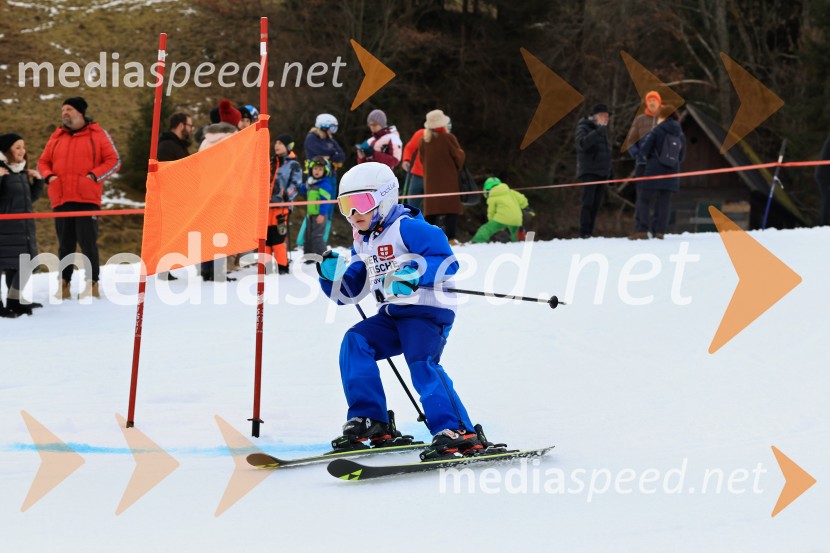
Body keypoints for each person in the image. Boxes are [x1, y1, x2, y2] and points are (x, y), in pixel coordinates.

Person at [316, 162, 496, 461]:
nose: (354, 213)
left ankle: (457, 429)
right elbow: (348, 293)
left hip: (426, 312)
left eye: (362, 203)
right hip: (392, 315)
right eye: (346, 205)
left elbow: (446, 260)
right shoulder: (362, 241)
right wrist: (331, 278)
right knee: (355, 342)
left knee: (421, 362)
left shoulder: (409, 227)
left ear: (385, 199)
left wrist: (414, 272)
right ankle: (371, 419)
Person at [38, 96, 121, 300]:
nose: (64, 113)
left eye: (69, 109)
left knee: (88, 243)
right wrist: (50, 177)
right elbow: (42, 162)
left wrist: (93, 176)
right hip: (61, 198)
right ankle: (64, 284)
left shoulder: (98, 134)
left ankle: (92, 284)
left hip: (87, 198)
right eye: (63, 110)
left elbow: (114, 160)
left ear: (80, 112)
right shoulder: (56, 136)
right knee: (65, 245)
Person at [0, 133, 44, 317]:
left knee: (22, 264)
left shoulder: (21, 171)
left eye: (23, 147)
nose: (22, 151)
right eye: (17, 147)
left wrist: (38, 181)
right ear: (6, 150)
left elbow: (28, 200)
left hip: (23, 228)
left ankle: (15, 301)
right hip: (4, 230)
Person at [629, 105, 686, 240]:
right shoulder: (680, 133)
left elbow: (645, 150)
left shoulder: (657, 130)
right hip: (672, 172)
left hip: (653, 170)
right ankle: (659, 231)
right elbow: (681, 156)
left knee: (644, 199)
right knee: (664, 202)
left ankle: (642, 230)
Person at [198, 100, 239, 280]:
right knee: (222, 231)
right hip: (224, 191)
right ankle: (218, 271)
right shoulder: (233, 139)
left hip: (205, 192)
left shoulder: (206, 140)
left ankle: (206, 269)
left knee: (208, 230)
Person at [419, 109, 465, 245]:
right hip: (448, 180)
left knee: (431, 211)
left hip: (430, 182)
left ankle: (428, 239)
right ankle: (450, 238)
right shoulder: (448, 138)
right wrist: (462, 153)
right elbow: (458, 158)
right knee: (451, 209)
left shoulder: (423, 141)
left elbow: (422, 160)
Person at [575, 103, 613, 238]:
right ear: (595, 116)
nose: (606, 119)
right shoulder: (583, 127)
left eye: (607, 116)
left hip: (601, 173)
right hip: (589, 171)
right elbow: (582, 144)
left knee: (596, 204)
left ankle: (590, 232)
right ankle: (584, 232)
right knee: (588, 203)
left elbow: (606, 153)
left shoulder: (602, 131)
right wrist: (598, 132)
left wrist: (610, 172)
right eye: (604, 116)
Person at [267, 133, 301, 274]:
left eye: (280, 143)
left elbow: (296, 184)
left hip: (281, 208)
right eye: (276, 143)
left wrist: (285, 196)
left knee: (278, 238)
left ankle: (282, 267)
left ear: (288, 146)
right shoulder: (271, 162)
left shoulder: (293, 164)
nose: (277, 146)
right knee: (266, 239)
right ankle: (266, 267)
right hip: (266, 207)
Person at [471, 177, 530, 243]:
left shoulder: (492, 197)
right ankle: (519, 238)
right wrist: (525, 207)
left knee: (486, 229)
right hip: (517, 218)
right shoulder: (511, 192)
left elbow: (491, 212)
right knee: (514, 229)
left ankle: (477, 241)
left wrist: (492, 222)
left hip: (502, 218)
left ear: (487, 189)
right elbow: (522, 199)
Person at [301, 156, 335, 258]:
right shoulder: (310, 182)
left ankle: (323, 257)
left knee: (317, 237)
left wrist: (322, 214)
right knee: (307, 237)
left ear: (325, 171)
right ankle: (308, 257)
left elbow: (325, 201)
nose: (317, 171)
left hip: (320, 215)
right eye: (315, 169)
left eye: (320, 169)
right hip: (310, 215)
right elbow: (302, 190)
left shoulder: (325, 184)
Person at [625, 90, 662, 177]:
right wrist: (637, 154)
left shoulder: (666, 118)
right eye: (649, 101)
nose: (652, 103)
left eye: (654, 100)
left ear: (659, 102)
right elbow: (630, 141)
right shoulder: (639, 119)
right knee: (643, 185)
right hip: (643, 164)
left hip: (661, 163)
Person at [402, 128, 426, 210]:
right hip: (417, 175)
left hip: (433, 178)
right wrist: (406, 159)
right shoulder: (421, 133)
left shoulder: (443, 136)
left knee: (431, 208)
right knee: (412, 204)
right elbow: (409, 148)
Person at [816, 135, 830, 226]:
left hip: (825, 174)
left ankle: (824, 223)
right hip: (824, 176)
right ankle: (823, 224)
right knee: (828, 199)